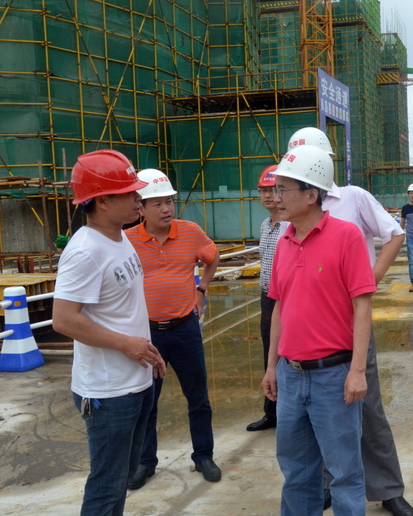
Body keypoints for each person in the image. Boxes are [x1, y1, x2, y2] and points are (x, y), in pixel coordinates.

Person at [287, 128, 413, 516]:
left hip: (352, 324)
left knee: (366, 406)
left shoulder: (353, 198)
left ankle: (387, 488)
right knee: (318, 414)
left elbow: (395, 234)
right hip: (312, 328)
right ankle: (328, 484)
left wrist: (369, 279)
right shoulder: (291, 208)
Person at [262, 145, 376, 515]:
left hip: (333, 377)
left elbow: (362, 307)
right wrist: (271, 367)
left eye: (283, 189)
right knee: (296, 472)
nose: (276, 197)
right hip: (290, 376)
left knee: (344, 473)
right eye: (275, 189)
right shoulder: (283, 241)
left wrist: (357, 371)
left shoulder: (346, 237)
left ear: (311, 195)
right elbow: (279, 308)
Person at [52, 149, 166, 515]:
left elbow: (124, 310)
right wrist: (128, 345)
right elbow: (64, 319)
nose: (138, 199)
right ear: (102, 201)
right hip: (108, 393)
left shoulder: (119, 238)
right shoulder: (84, 251)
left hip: (136, 381)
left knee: (121, 479)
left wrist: (146, 352)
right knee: (106, 486)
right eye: (129, 193)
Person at [124, 169, 222, 489]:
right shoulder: (127, 241)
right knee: (147, 402)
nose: (166, 209)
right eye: (158, 204)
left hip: (185, 330)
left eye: (169, 202)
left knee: (198, 398)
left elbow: (212, 257)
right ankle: (145, 462)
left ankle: (203, 456)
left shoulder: (191, 232)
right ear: (140, 208)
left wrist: (202, 289)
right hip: (148, 334)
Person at [246, 165, 289, 432]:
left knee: (288, 355)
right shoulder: (266, 225)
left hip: (288, 299)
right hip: (267, 297)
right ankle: (271, 412)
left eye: (273, 190)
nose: (268, 196)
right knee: (269, 355)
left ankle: (289, 413)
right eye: (263, 191)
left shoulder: (289, 225)